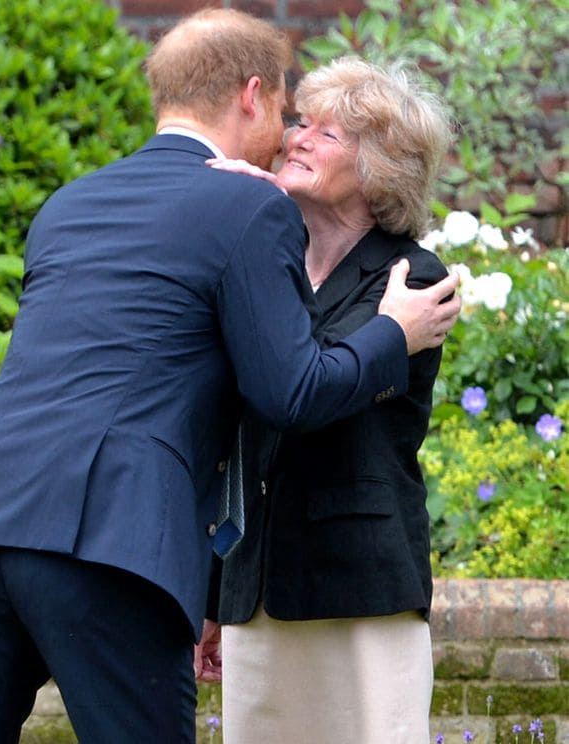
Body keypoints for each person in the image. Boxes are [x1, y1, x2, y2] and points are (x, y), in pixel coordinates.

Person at [0, 10, 460, 743]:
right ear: (251, 96)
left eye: (320, 129)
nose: (292, 134)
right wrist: (391, 334)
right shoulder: (245, 208)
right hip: (108, 538)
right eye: (286, 110)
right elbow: (292, 390)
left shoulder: (70, 204)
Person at [202, 57, 455, 743]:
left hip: (360, 591)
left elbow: (308, 387)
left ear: (381, 169)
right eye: (300, 123)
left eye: (328, 134)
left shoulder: (411, 278)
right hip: (258, 594)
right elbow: (239, 435)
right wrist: (215, 597)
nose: (295, 139)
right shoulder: (269, 262)